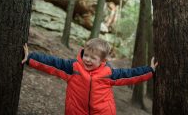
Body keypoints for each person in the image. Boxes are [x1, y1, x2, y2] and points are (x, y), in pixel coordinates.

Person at [21, 38, 158, 115]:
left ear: (102, 61)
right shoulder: (73, 68)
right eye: (86, 55)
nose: (87, 60)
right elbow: (52, 64)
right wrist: (30, 58)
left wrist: (149, 70)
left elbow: (130, 75)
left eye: (93, 58)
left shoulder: (108, 73)